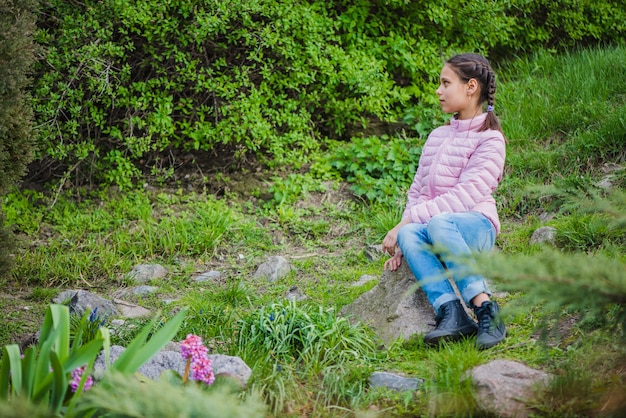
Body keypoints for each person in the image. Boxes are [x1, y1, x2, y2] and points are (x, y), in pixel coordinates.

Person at [382, 53, 506, 350]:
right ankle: (451, 314)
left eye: (445, 83)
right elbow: (419, 193)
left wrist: (405, 222)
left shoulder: (490, 139)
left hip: (475, 227)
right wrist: (403, 239)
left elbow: (463, 197)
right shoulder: (437, 136)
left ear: (470, 87)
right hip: (436, 227)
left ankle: (486, 308)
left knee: (432, 223)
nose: (438, 91)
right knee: (412, 232)